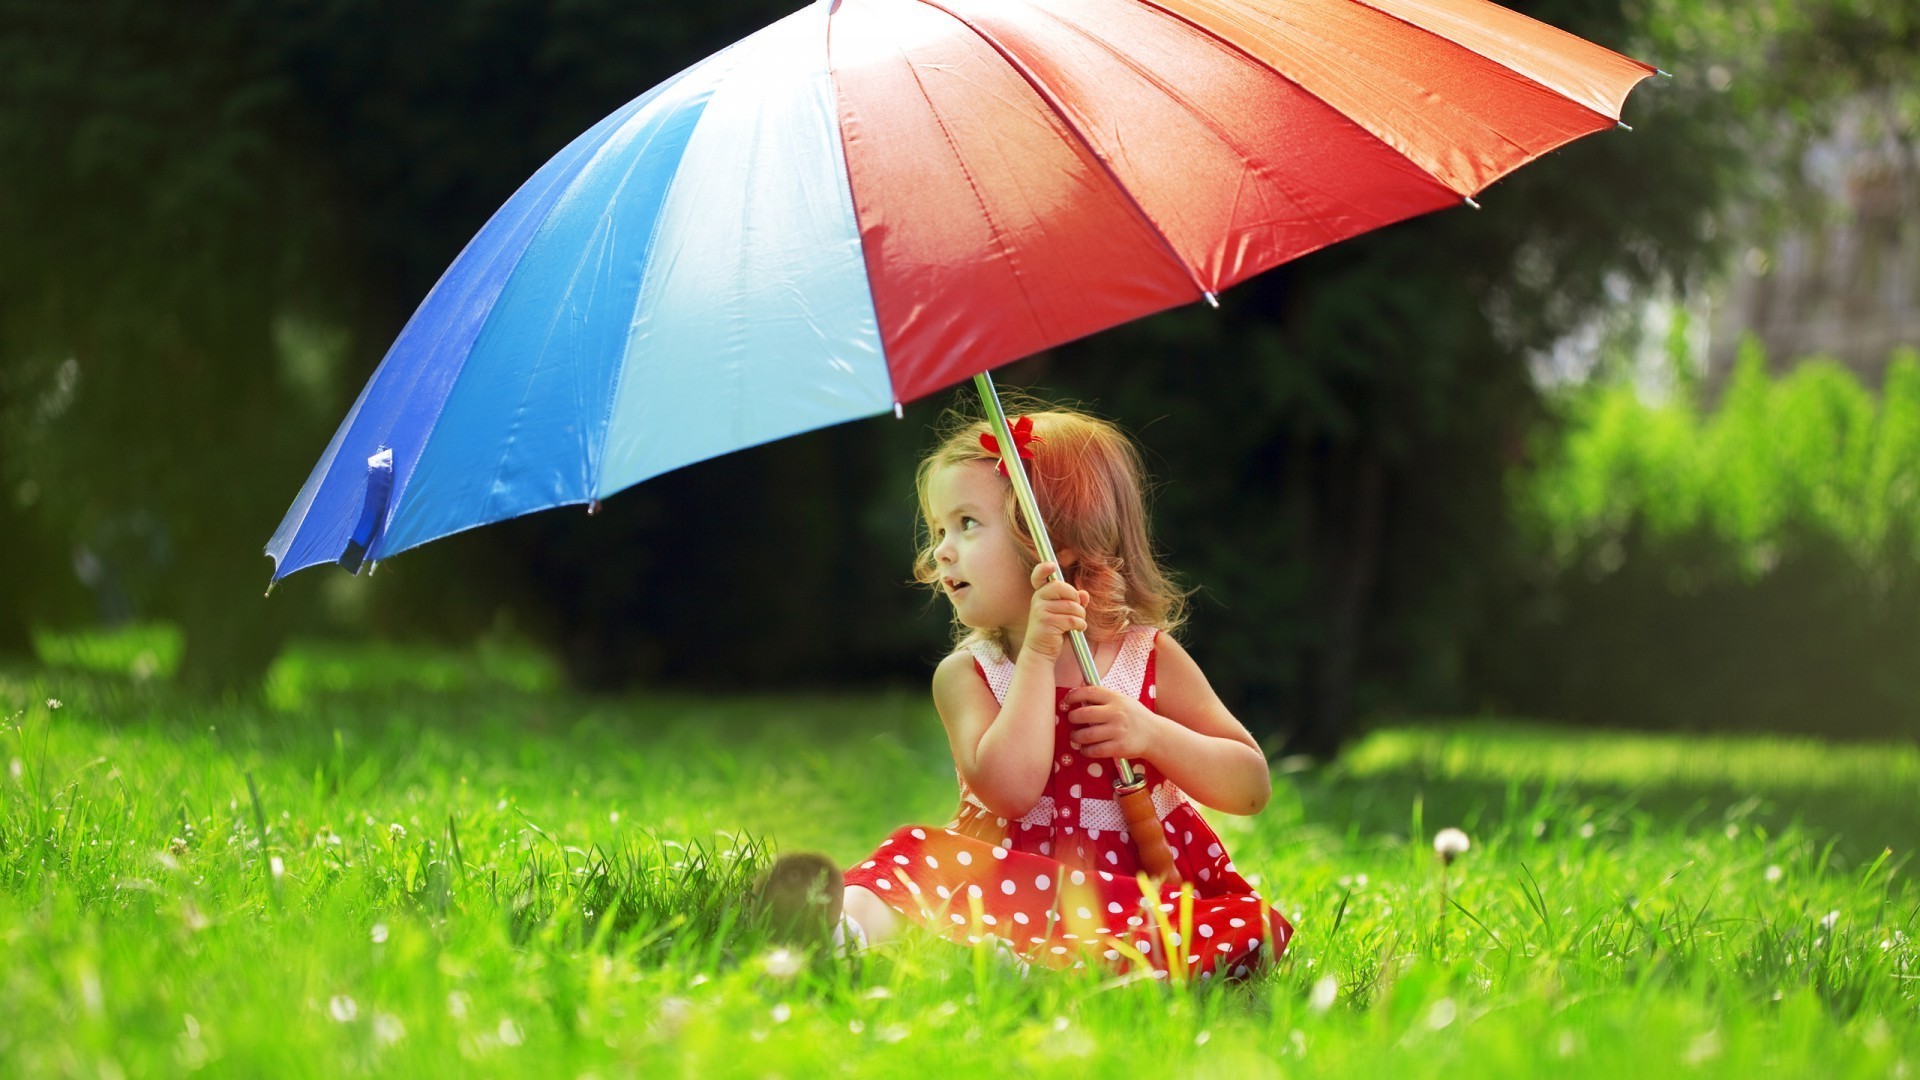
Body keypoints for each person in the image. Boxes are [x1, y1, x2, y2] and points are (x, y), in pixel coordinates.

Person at [759, 403, 1291, 981]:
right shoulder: (970, 673)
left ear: (1054, 542)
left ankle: (1054, 968)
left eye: (966, 524)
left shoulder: (1148, 659)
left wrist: (1152, 733)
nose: (941, 550)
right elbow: (1010, 791)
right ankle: (841, 934)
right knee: (913, 859)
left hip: (1129, 900)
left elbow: (1249, 787)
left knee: (1233, 927)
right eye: (939, 529)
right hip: (1002, 886)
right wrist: (1037, 656)